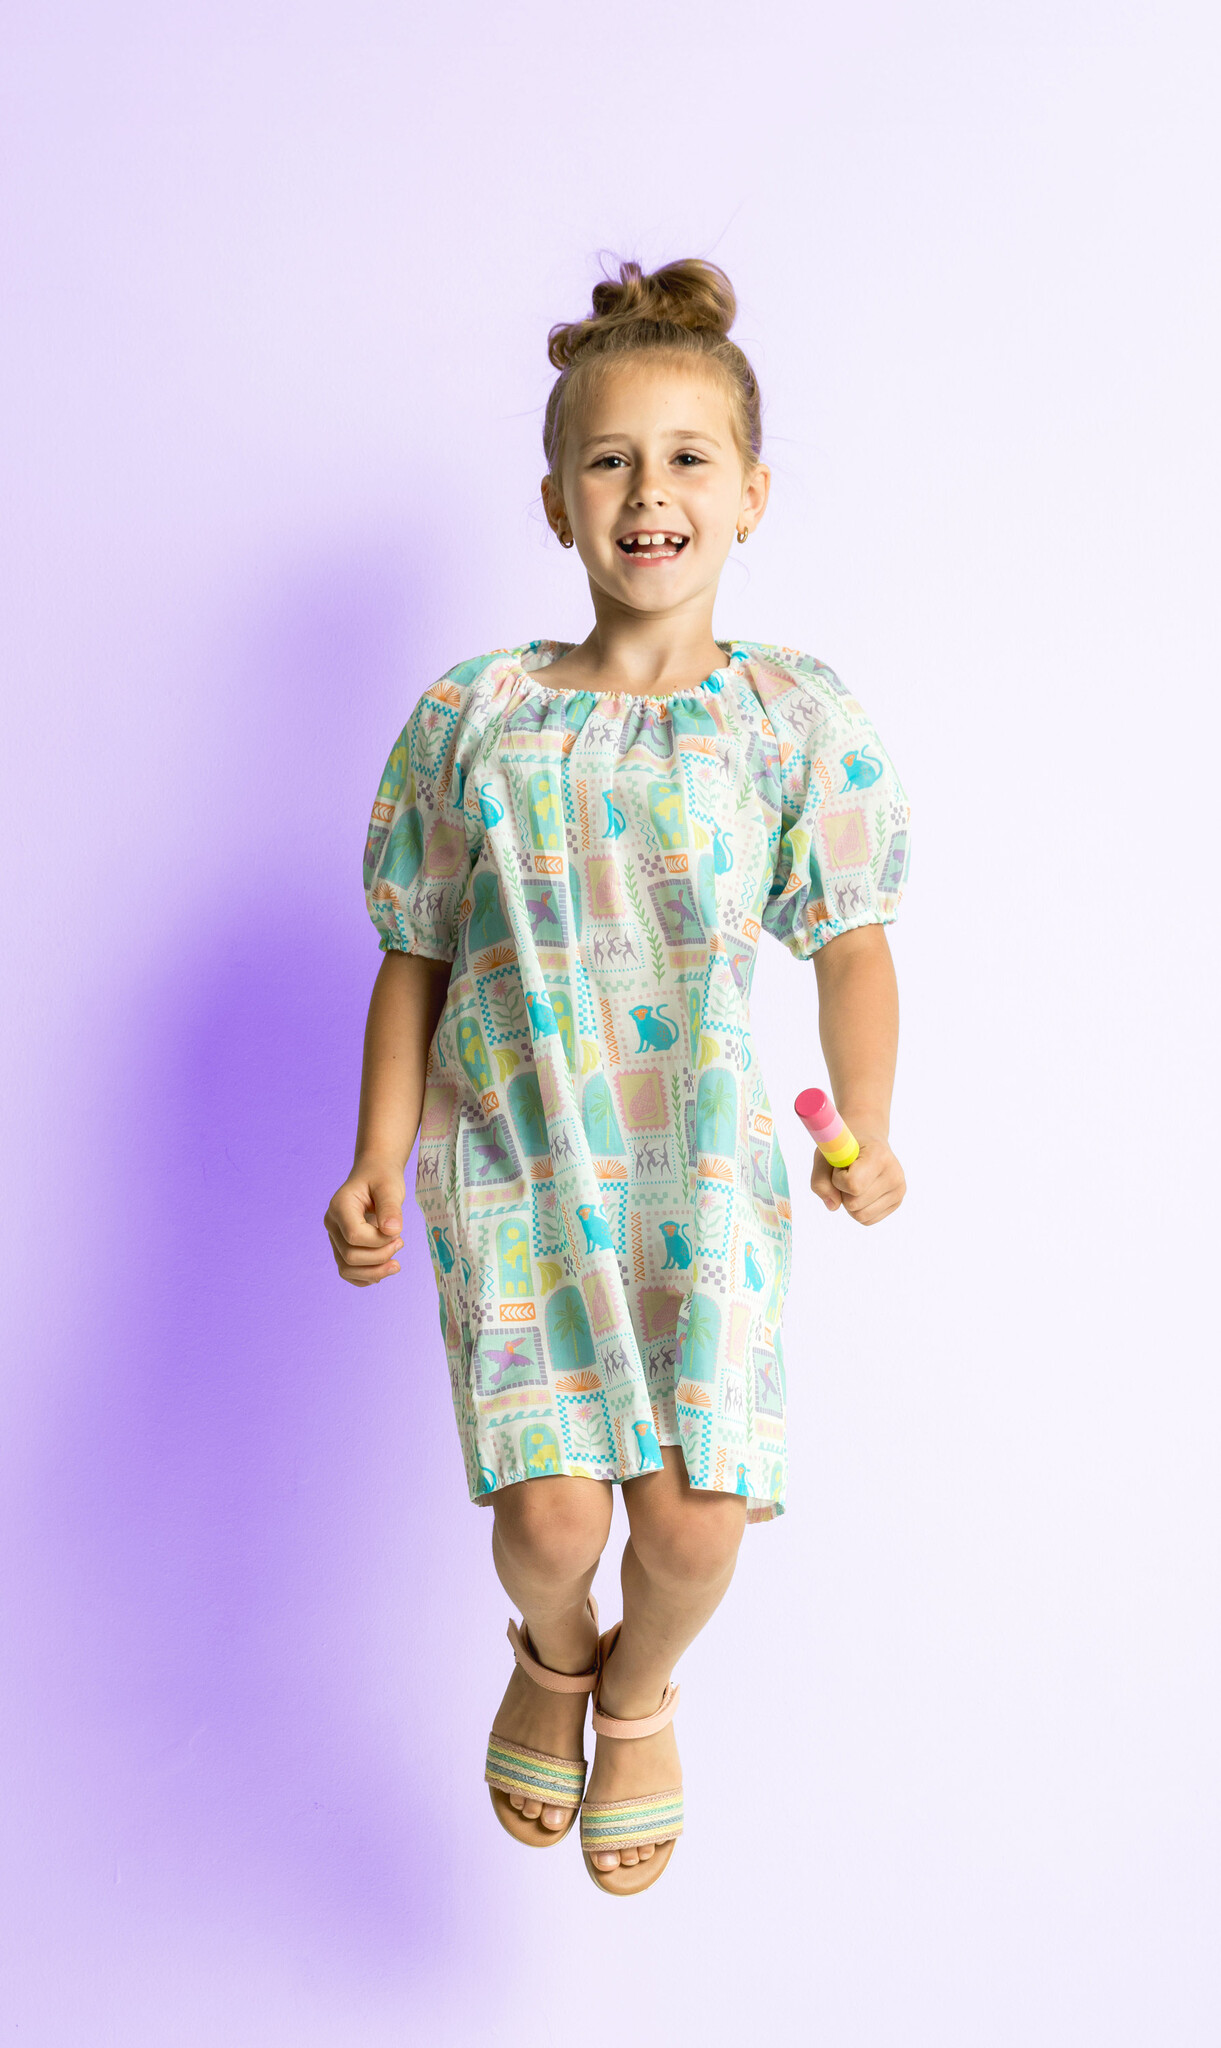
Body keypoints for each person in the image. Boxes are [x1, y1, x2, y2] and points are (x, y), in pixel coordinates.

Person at [324, 257, 912, 1895]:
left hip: (699, 1177)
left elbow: (850, 941)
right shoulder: (476, 715)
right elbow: (416, 949)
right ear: (555, 502)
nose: (648, 493)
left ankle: (638, 1694)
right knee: (555, 1523)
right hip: (515, 1160)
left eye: (686, 459)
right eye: (608, 461)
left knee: (693, 1527)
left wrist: (867, 1125)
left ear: (750, 495)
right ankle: (555, 1653)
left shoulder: (790, 719)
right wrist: (376, 1152)